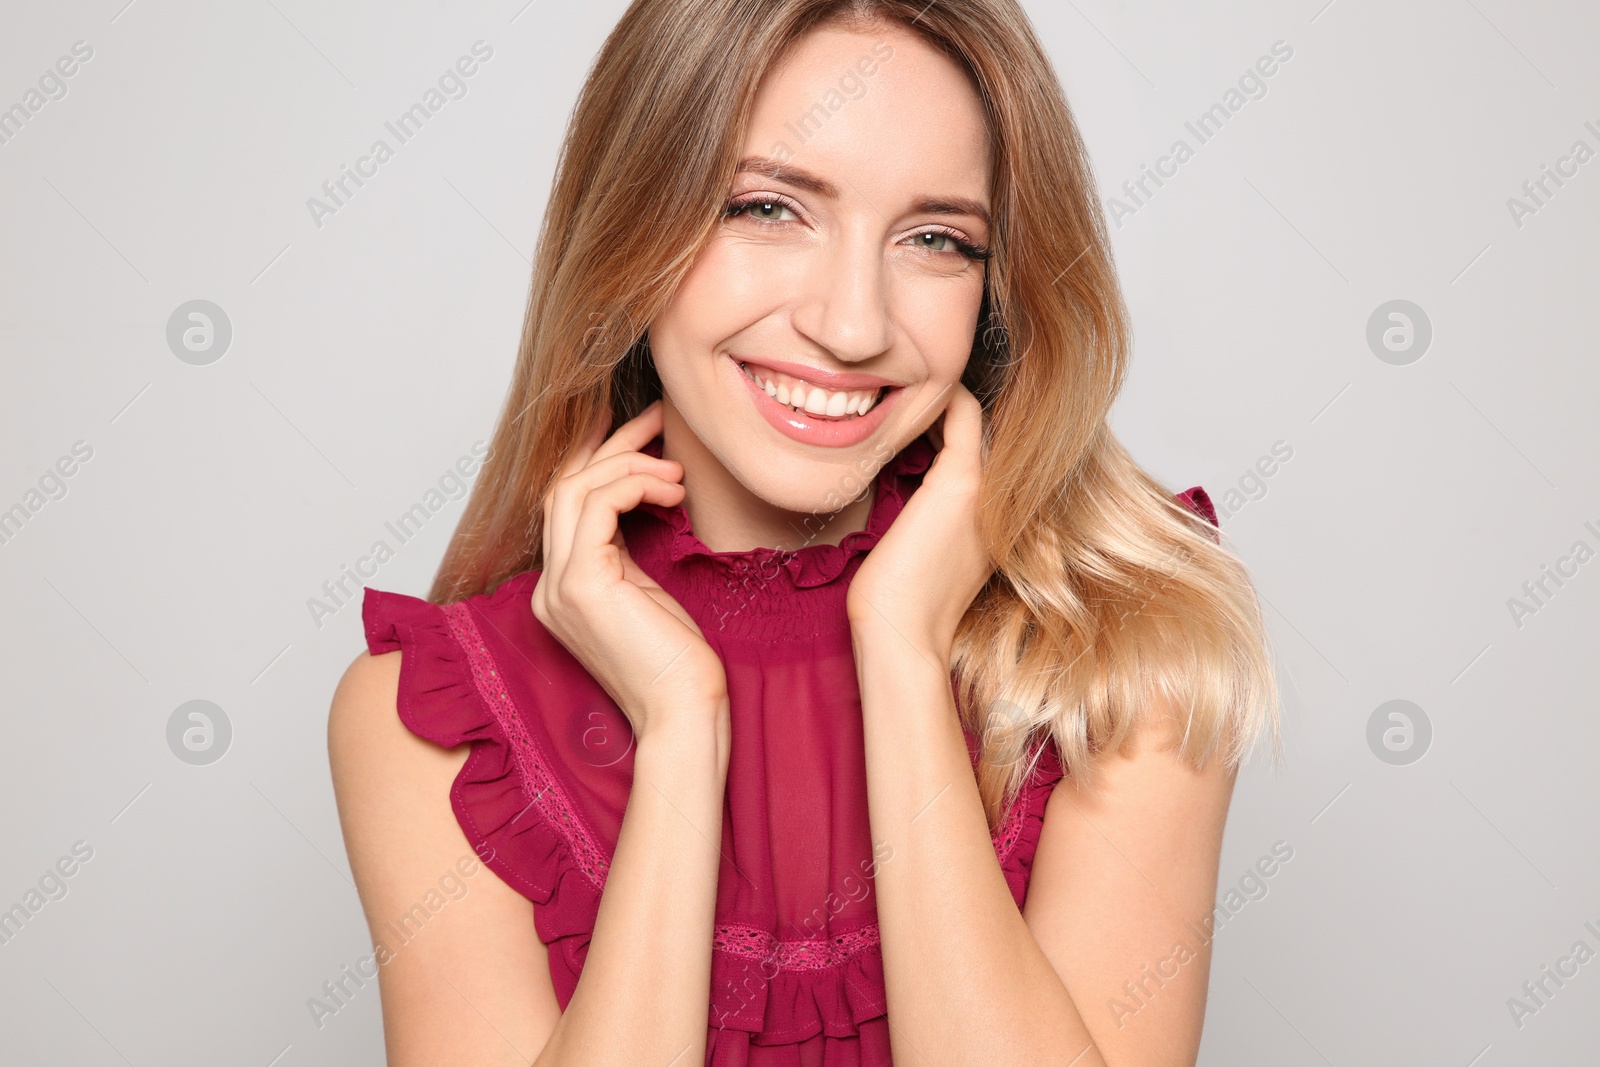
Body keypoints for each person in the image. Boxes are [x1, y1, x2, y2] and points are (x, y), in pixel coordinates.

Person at [328, 1, 1281, 1064]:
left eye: (935, 239)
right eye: (770, 208)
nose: (852, 324)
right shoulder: (437, 721)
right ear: (632, 223)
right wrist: (682, 733)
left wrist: (904, 654)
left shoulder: (1124, 650)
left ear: (998, 289)